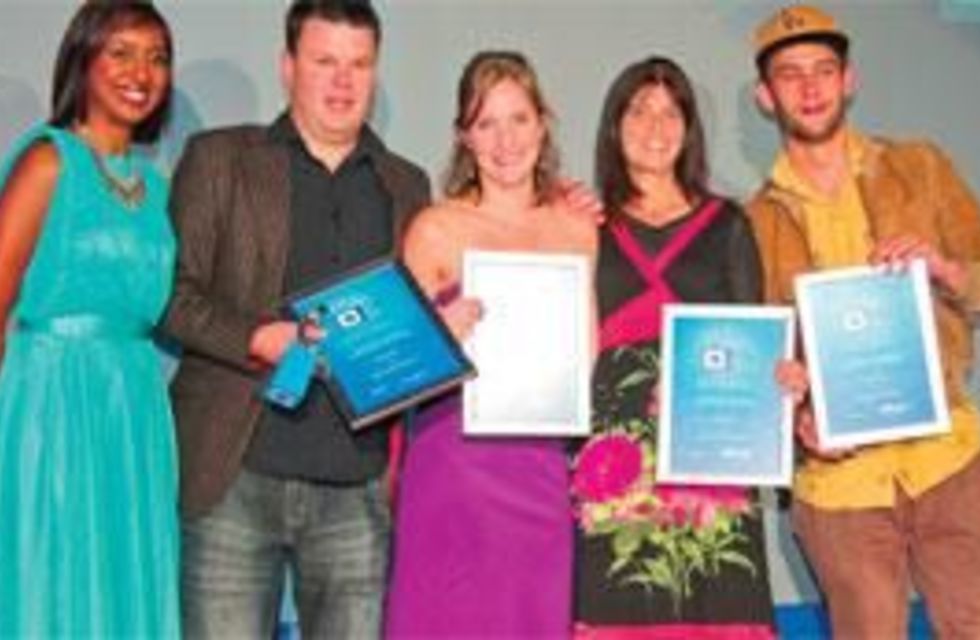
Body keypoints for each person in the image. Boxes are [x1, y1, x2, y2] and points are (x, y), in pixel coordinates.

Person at [159, 1, 431, 637]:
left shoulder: (407, 185)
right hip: (233, 473)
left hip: (356, 484)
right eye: (324, 61)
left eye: (359, 64)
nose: (343, 81)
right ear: (288, 67)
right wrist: (258, 337)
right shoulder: (220, 159)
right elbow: (171, 294)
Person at [748, 5, 980, 638]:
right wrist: (798, 424)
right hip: (840, 485)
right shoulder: (752, 223)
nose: (810, 88)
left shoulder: (922, 167)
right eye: (790, 74)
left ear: (849, 80)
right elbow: (762, 367)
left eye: (824, 70)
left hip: (949, 459)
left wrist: (947, 271)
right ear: (765, 96)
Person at [385, 50, 598, 639]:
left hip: (540, 469)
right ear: (464, 137)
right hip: (453, 468)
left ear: (543, 123)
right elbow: (396, 370)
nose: (506, 142)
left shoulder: (576, 227)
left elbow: (588, 354)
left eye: (519, 119)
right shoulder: (435, 228)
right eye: (486, 124)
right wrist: (439, 337)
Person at [571, 56, 776, 639]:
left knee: (719, 604)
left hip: (711, 452)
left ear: (689, 128)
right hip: (616, 464)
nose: (655, 127)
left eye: (671, 112)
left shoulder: (727, 224)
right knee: (625, 606)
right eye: (639, 111)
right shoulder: (584, 226)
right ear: (615, 126)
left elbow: (754, 351)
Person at [0, 2, 179, 637]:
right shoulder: (48, 161)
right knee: (52, 579)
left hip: (133, 409)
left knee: (124, 584)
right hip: (50, 403)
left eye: (156, 58)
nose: (141, 73)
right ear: (84, 60)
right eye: (121, 53)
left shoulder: (156, 190)